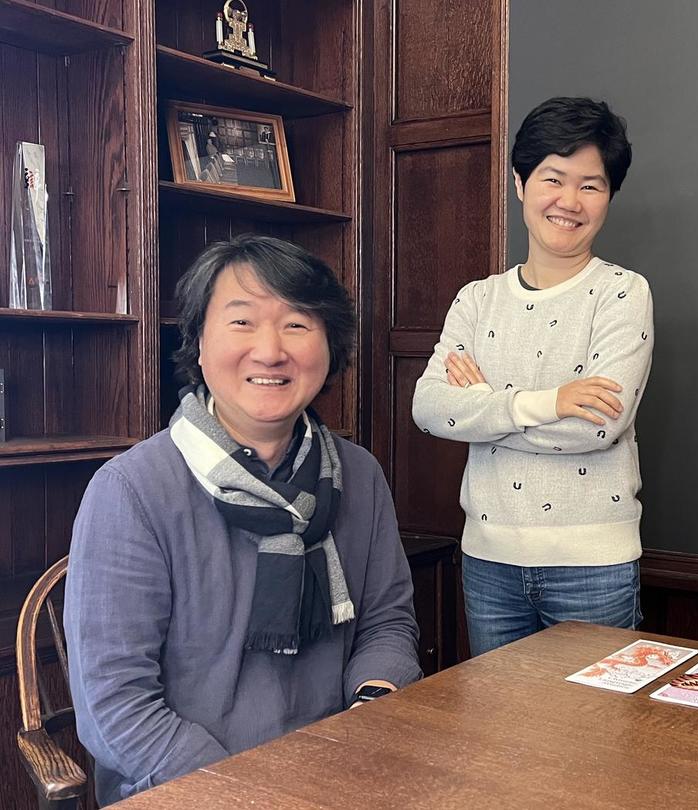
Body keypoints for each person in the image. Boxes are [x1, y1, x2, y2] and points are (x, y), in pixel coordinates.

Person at [66, 235, 421, 804]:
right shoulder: (131, 491)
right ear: (199, 344)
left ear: (331, 347)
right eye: (241, 322)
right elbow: (116, 707)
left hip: (339, 771)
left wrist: (369, 721)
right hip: (188, 786)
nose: (270, 350)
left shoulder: (358, 474)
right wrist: (247, 792)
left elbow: (386, 625)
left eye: (298, 324)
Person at [411, 97, 653, 656]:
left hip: (592, 565)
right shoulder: (477, 298)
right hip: (488, 559)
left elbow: (597, 427)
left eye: (590, 185)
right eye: (553, 178)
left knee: (592, 741)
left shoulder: (622, 293)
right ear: (521, 184)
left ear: (610, 197)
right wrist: (547, 402)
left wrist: (482, 403)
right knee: (500, 736)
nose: (569, 201)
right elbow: (428, 407)